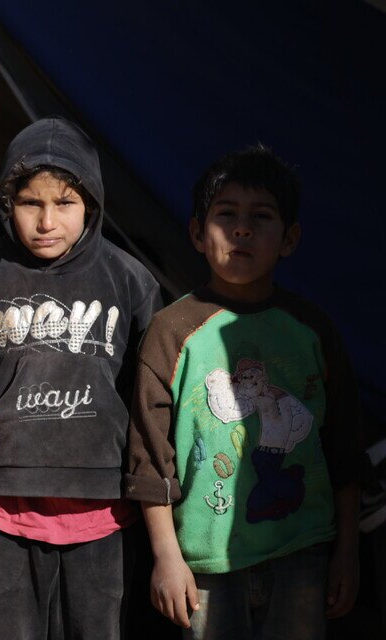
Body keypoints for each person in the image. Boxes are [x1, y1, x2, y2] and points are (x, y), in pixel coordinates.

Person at [126, 145, 363, 639]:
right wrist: (167, 557)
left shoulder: (312, 328)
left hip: (303, 552)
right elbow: (150, 459)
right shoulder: (171, 332)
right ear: (196, 232)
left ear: (290, 238)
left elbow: (344, 448)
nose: (241, 229)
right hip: (207, 565)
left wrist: (347, 550)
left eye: (261, 217)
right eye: (226, 215)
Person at [0, 116, 162, 639]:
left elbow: (151, 390)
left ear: (91, 205)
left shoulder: (129, 279)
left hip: (101, 505)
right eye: (31, 203)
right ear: (8, 204)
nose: (47, 221)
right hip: (5, 500)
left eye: (65, 203)